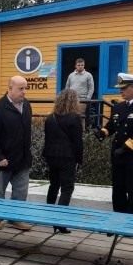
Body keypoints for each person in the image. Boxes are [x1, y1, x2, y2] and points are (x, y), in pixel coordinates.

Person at [94, 73, 133, 215]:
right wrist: (103, 132)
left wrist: (125, 148)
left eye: (124, 88)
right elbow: (112, 125)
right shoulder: (119, 107)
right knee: (118, 189)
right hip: (117, 155)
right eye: (120, 88)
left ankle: (131, 222)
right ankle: (118, 219)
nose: (121, 91)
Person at [0, 76, 33, 231]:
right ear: (10, 88)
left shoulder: (27, 106)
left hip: (22, 160)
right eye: (21, 88)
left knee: (20, 193)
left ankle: (14, 219)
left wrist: (28, 156)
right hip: (2, 160)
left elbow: (27, 133)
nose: (24, 92)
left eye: (25, 88)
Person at [43, 89, 84, 233]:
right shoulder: (74, 118)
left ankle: (48, 216)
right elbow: (77, 142)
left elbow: (47, 138)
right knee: (67, 188)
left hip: (51, 156)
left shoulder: (50, 117)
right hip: (67, 157)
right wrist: (79, 160)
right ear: (74, 101)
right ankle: (59, 222)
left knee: (53, 185)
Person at [65, 58, 95, 126]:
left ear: (84, 66)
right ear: (75, 66)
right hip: (71, 100)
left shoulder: (88, 75)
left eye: (82, 65)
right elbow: (67, 87)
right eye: (79, 65)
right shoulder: (71, 75)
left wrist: (87, 99)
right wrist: (67, 97)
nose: (80, 66)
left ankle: (82, 133)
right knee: (70, 116)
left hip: (82, 100)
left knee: (80, 117)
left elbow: (91, 88)